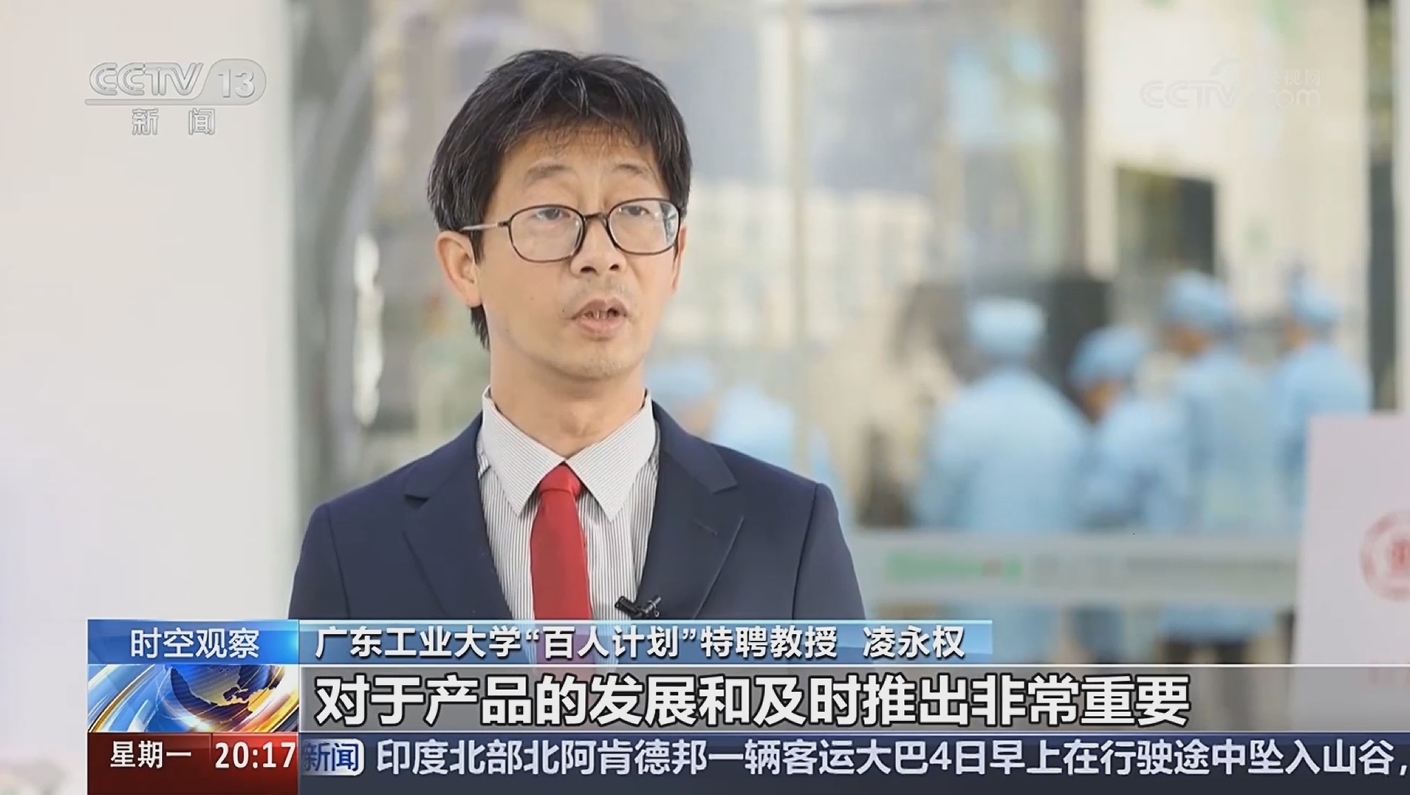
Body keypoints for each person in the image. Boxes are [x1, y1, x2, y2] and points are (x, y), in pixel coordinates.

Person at [288, 51, 864, 622]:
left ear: (676, 256)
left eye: (635, 210)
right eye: (551, 213)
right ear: (465, 266)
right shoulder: (354, 550)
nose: (600, 256)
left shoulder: (789, 533)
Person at [912, 298, 1089, 663]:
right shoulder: (1058, 418)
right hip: (1038, 591)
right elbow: (1078, 507)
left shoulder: (962, 418)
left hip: (970, 587)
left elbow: (931, 506)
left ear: (978, 351)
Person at [1157, 272, 1282, 726]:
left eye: (1176, 327)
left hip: (1197, 538)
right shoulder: (1256, 382)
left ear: (1194, 328)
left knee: (1177, 665)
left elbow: (1175, 475)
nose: (1172, 338)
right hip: (1247, 538)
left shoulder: (1191, 387)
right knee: (1235, 661)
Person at [1068, 326, 1189, 664]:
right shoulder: (1158, 418)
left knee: (1120, 669)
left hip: (1125, 574)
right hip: (1155, 570)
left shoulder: (1122, 430)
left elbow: (1104, 503)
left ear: (1104, 381)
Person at [1270, 278, 1371, 657]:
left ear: (1300, 325)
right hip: (1348, 516)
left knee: (1297, 621)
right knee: (1336, 621)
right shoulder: (1353, 375)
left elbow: (1277, 442)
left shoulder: (1292, 375)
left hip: (1298, 515)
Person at [647, 358, 855, 530]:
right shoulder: (743, 410)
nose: (679, 428)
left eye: (678, 415)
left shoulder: (739, 440)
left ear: (692, 405)